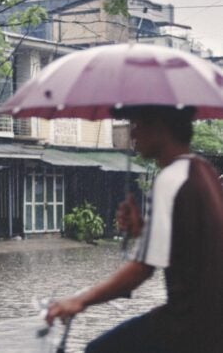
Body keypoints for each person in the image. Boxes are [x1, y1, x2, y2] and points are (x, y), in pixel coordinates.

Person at [46, 107, 223, 353]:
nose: (133, 135)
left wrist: (79, 300)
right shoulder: (205, 172)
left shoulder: (170, 180)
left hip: (186, 324)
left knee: (98, 350)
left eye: (137, 126)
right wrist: (143, 231)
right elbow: (188, 245)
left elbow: (141, 270)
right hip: (213, 323)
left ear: (161, 127)